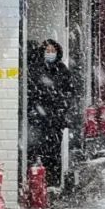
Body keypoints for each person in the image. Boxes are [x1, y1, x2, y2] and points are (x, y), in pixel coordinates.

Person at [28, 39, 75, 187]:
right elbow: (32, 93)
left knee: (54, 152)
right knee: (38, 150)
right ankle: (39, 185)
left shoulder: (62, 69)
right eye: (47, 51)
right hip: (39, 120)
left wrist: (61, 108)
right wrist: (37, 110)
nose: (50, 54)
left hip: (56, 119)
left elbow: (70, 92)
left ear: (57, 52)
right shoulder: (36, 69)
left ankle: (53, 183)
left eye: (52, 51)